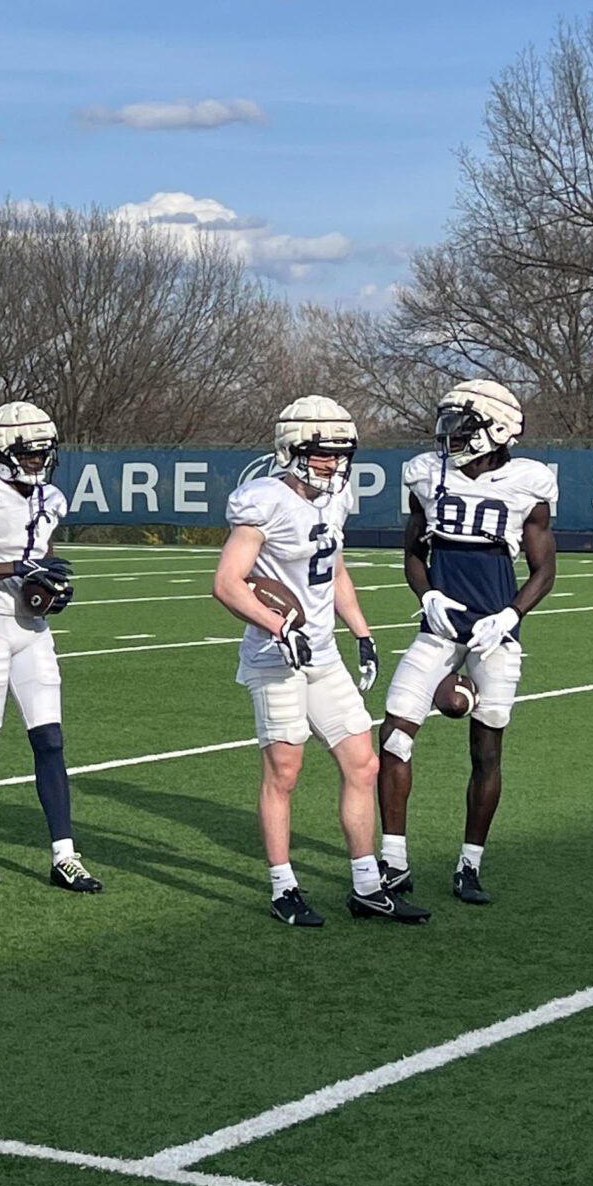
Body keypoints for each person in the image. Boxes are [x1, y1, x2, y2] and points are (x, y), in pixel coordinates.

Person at [212, 396, 428, 928]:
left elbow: (333, 570)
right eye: (322, 454)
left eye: (339, 454)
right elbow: (226, 582)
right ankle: (283, 886)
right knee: (285, 772)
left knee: (364, 763)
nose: (333, 464)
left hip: (323, 651)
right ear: (291, 450)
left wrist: (362, 631)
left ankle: (366, 885)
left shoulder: (335, 499)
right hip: (275, 654)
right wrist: (279, 627)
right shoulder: (264, 501)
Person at [376, 378, 558, 907]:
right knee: (393, 739)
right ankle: (393, 862)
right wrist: (427, 594)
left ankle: (469, 865)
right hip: (439, 627)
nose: (451, 434)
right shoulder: (425, 474)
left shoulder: (529, 481)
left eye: (465, 424)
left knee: (486, 751)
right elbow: (413, 552)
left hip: (494, 634)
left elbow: (545, 570)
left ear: (499, 429)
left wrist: (509, 615)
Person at [0, 400, 99, 891]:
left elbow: (41, 561)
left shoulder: (50, 498)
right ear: (1, 451)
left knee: (49, 739)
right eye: (28, 452)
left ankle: (64, 855)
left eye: (43, 452)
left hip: (31, 630)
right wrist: (13, 570)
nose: (37, 460)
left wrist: (48, 592)